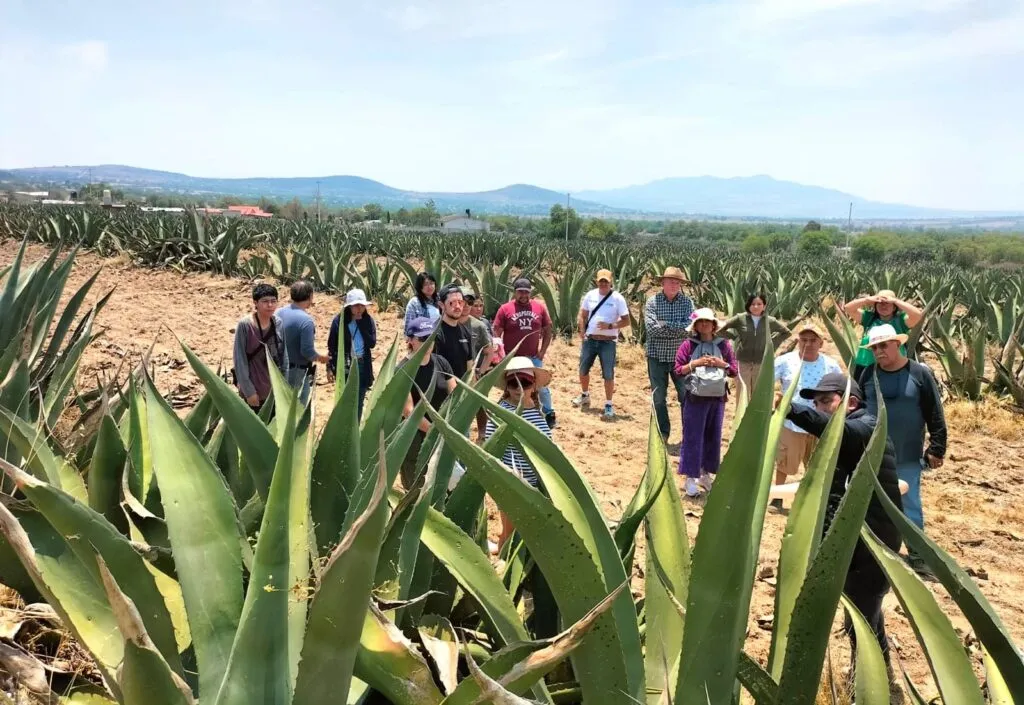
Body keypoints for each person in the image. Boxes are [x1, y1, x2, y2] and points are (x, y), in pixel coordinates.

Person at [787, 373, 905, 702]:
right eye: (817, 402)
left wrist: (787, 407)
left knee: (862, 617)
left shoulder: (866, 426)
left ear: (849, 402)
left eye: (827, 401)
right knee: (864, 613)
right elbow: (836, 497)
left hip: (875, 543)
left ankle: (871, 689)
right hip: (859, 541)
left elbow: (837, 429)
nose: (820, 407)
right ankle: (874, 678)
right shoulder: (845, 440)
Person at [858, 324, 947, 579]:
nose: (879, 351)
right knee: (869, 502)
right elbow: (857, 408)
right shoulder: (867, 374)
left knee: (909, 505)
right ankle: (873, 550)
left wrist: (937, 446)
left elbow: (934, 411)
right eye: (874, 347)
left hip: (907, 454)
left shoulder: (919, 374)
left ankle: (918, 556)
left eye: (883, 345)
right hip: (872, 453)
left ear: (898, 344)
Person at [771, 324, 843, 509]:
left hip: (820, 423)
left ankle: (812, 500)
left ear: (821, 343)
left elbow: (840, 390)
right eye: (804, 340)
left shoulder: (830, 365)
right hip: (791, 421)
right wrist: (775, 398)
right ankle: (777, 497)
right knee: (785, 459)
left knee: (816, 463)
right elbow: (767, 382)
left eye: (813, 340)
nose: (807, 344)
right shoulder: (785, 361)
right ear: (798, 341)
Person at [483, 357, 553, 549]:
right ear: (506, 385)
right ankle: (504, 552)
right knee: (510, 530)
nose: (519, 388)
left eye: (525, 382)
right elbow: (492, 447)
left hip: (536, 483)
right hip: (510, 482)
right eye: (513, 383)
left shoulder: (538, 411)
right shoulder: (501, 412)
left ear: (534, 386)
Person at [674, 308, 738, 497]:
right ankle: (690, 478)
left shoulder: (724, 345)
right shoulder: (688, 346)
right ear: (695, 326)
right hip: (695, 398)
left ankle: (705, 474)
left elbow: (734, 370)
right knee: (693, 437)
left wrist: (721, 364)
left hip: (717, 399)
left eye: (707, 322)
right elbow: (678, 370)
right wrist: (696, 363)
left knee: (713, 437)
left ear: (713, 325)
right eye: (700, 322)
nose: (704, 325)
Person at [398, 317, 458, 490]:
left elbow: (455, 396)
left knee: (445, 488)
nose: (428, 343)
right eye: (423, 339)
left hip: (443, 436)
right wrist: (436, 430)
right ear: (410, 340)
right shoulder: (403, 370)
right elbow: (409, 412)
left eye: (431, 338)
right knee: (417, 490)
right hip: (416, 442)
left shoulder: (441, 363)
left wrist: (447, 428)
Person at [492, 277, 555, 427]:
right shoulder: (505, 309)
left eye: (526, 292)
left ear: (530, 293)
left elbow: (548, 330)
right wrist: (500, 355)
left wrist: (542, 352)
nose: (523, 295)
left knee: (541, 388)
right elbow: (496, 333)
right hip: (512, 358)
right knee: (511, 386)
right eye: (520, 292)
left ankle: (548, 413)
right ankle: (507, 413)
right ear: (514, 292)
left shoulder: (539, 308)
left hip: (532, 358)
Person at [643, 266, 694, 441]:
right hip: (656, 356)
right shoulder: (652, 302)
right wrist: (677, 326)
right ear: (662, 282)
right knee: (658, 398)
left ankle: (688, 434)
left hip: (681, 359)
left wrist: (664, 323)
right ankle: (663, 433)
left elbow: (689, 329)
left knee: (686, 397)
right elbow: (651, 329)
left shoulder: (687, 303)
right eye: (671, 281)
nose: (674, 285)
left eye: (677, 282)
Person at [573, 269, 631, 420]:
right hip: (590, 340)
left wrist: (610, 326)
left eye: (606, 281)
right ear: (596, 281)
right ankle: (585, 395)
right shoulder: (590, 295)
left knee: (608, 374)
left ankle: (608, 404)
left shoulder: (618, 298)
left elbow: (626, 321)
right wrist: (582, 332)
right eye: (601, 281)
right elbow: (583, 315)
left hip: (608, 342)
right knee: (583, 369)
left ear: (611, 282)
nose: (603, 283)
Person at [720, 293, 791, 397]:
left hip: (761, 360)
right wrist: (733, 337)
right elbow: (720, 329)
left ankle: (754, 413)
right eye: (753, 304)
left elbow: (787, 332)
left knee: (757, 392)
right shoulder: (740, 318)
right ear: (748, 305)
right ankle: (741, 413)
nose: (756, 306)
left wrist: (772, 342)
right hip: (743, 360)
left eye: (759, 304)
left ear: (764, 305)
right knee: (742, 390)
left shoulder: (770, 320)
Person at [232, 283, 288, 410]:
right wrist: (249, 392)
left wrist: (284, 385)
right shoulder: (245, 325)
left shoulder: (278, 323)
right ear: (255, 303)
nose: (270, 305)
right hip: (255, 391)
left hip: (275, 390)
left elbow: (284, 355)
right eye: (265, 301)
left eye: (273, 301)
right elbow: (239, 360)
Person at [844, 289, 923, 379]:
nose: (883, 306)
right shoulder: (868, 318)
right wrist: (868, 300)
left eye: (887, 303)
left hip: (892, 367)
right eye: (880, 303)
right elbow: (848, 308)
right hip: (865, 365)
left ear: (894, 307)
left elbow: (917, 315)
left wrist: (895, 301)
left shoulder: (901, 321)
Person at [327, 288, 377, 418]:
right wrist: (329, 368)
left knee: (359, 400)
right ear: (349, 306)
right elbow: (332, 345)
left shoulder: (368, 321)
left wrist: (361, 324)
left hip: (362, 364)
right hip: (345, 365)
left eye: (362, 305)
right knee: (345, 400)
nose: (359, 308)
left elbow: (372, 343)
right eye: (355, 305)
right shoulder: (339, 321)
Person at [277, 279, 329, 405]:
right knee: (298, 407)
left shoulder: (279, 312)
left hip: (278, 367)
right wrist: (322, 358)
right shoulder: (306, 321)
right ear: (311, 296)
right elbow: (307, 351)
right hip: (296, 371)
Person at [460, 287, 496, 439]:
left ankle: (482, 434)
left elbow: (489, 351)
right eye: (464, 301)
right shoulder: (444, 323)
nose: (467, 305)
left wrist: (481, 372)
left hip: (473, 374)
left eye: (470, 302)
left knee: (479, 403)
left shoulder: (478, 325)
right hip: (452, 374)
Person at [433, 285, 477, 381]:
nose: (457, 307)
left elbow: (470, 366)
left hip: (462, 391)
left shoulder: (465, 332)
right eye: (452, 303)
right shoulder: (434, 334)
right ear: (441, 305)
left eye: (460, 302)